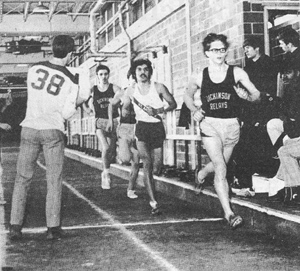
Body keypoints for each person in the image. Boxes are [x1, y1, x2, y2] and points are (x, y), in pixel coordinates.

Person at [9, 35, 85, 240]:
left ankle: (15, 226)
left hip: (30, 128)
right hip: (52, 130)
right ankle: (52, 227)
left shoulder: (33, 69)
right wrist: (79, 100)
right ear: (70, 54)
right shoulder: (71, 79)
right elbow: (67, 113)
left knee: (22, 178)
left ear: (52, 49)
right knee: (53, 179)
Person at [184, 33, 260, 230]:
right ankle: (229, 213)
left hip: (232, 126)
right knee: (220, 167)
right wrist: (195, 111)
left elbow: (257, 95)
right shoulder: (200, 75)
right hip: (210, 125)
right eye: (214, 50)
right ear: (207, 53)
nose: (219, 53)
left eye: (222, 49)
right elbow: (187, 94)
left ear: (226, 51)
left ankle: (200, 173)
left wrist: (246, 97)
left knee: (222, 163)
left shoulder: (237, 73)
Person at [122, 59, 177, 214]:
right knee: (147, 163)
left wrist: (158, 110)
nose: (142, 72)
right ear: (134, 72)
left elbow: (173, 104)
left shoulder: (158, 87)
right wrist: (125, 112)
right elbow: (125, 109)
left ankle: (153, 193)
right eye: (139, 69)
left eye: (145, 69)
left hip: (157, 128)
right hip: (141, 128)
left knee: (157, 167)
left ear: (150, 72)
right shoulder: (130, 91)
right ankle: (154, 202)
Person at [230, 36, 280, 197]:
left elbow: (270, 92)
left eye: (248, 48)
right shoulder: (248, 68)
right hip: (250, 113)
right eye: (244, 48)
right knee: (245, 145)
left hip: (266, 112)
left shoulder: (269, 64)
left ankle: (260, 184)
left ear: (257, 47)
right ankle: (246, 183)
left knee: (262, 147)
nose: (245, 51)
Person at [267, 63, 300, 207]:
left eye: (288, 72)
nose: (284, 76)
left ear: (297, 72)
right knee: (285, 144)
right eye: (282, 73)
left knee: (284, 150)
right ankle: (285, 184)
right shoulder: (290, 89)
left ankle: (294, 190)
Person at [83, 64, 121, 190]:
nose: (103, 77)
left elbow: (122, 95)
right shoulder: (93, 89)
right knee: (105, 147)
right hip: (100, 121)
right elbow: (83, 98)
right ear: (97, 76)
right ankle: (106, 172)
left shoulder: (113, 88)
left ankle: (106, 168)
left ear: (108, 75)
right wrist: (87, 109)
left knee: (110, 149)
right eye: (101, 74)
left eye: (105, 74)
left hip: (113, 121)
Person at [110, 68, 139, 199]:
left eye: (136, 78)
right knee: (126, 159)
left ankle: (131, 189)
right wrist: (112, 120)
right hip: (125, 128)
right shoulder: (122, 93)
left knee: (136, 162)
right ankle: (119, 147)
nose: (135, 81)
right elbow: (111, 106)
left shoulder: (144, 93)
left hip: (138, 127)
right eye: (133, 78)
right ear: (129, 79)